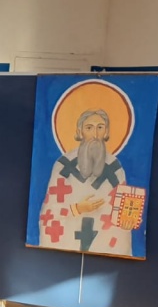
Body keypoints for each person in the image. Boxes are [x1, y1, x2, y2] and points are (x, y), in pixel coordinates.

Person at [36, 108, 133, 256]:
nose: (95, 135)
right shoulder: (64, 166)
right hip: (68, 240)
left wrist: (127, 222)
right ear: (80, 132)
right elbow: (50, 212)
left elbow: (123, 213)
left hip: (104, 246)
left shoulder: (115, 168)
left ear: (106, 132)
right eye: (89, 128)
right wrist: (77, 209)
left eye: (100, 127)